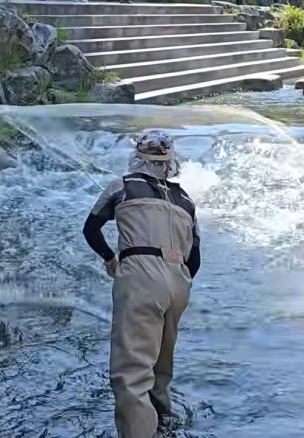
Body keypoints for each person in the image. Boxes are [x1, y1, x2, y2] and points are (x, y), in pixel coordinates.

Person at [82, 131, 201, 438]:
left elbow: (91, 228)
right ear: (169, 161)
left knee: (131, 372)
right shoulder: (186, 199)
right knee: (162, 360)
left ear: (138, 156)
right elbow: (195, 259)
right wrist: (177, 280)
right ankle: (164, 419)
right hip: (178, 279)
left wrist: (110, 258)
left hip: (140, 273)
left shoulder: (121, 185)